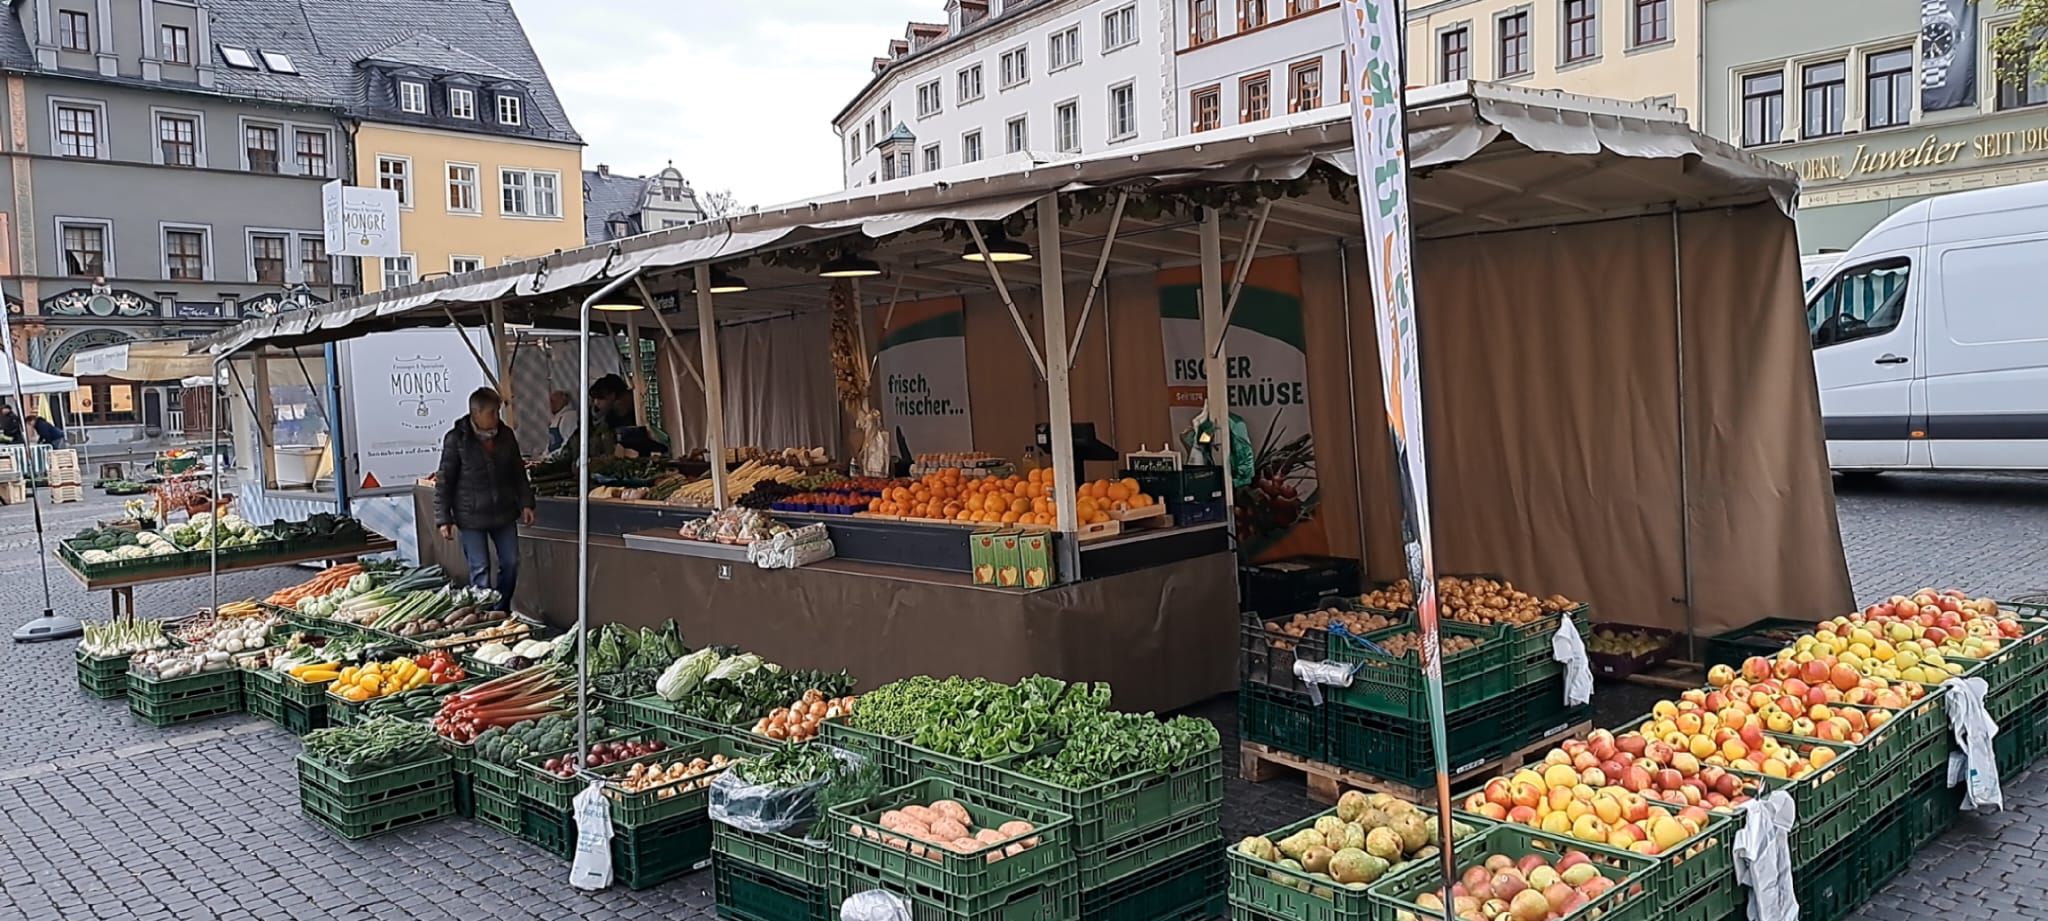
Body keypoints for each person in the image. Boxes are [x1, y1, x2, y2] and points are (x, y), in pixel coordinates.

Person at [433, 388, 533, 612]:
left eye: (497, 411)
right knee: (480, 568)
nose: (496, 417)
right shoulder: (456, 439)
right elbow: (444, 480)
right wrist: (443, 519)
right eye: (492, 412)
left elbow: (518, 471)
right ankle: (482, 615)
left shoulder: (505, 435)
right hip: (471, 516)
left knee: (511, 563)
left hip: (504, 512)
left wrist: (526, 502)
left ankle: (501, 607)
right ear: (475, 413)